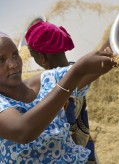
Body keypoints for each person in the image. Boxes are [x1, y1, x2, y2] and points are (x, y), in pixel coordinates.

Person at [0, 31, 116, 163]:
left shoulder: (47, 80)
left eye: (15, 55)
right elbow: (23, 131)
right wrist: (76, 72)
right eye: (1, 60)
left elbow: (95, 65)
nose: (13, 64)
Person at [24, 20, 110, 163]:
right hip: (84, 150)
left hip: (74, 156)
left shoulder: (63, 79)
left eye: (34, 57)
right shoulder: (75, 70)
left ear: (42, 58)